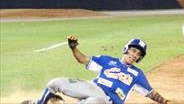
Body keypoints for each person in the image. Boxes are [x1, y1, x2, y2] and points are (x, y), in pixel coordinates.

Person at [21, 36, 173, 104]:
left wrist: (166, 102)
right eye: (133, 51)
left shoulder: (137, 74)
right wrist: (74, 48)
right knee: (55, 83)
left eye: (138, 54)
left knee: (93, 102)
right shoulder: (108, 60)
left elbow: (150, 93)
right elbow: (83, 60)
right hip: (92, 88)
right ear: (126, 49)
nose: (134, 55)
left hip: (107, 101)